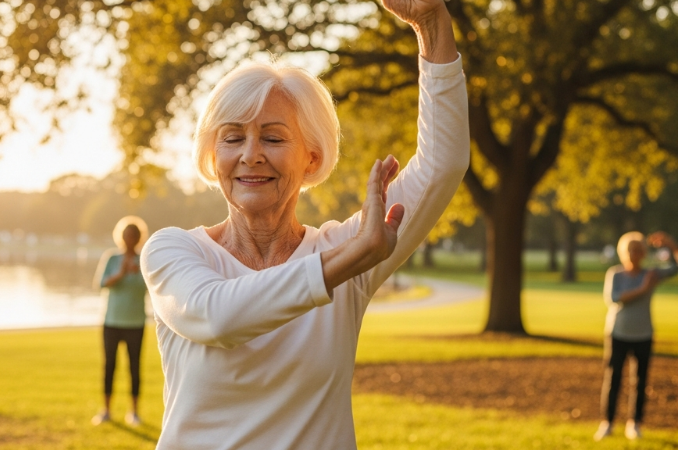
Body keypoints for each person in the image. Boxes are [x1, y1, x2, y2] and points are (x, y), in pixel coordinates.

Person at [140, 0, 468, 447]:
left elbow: (442, 164)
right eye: (232, 137)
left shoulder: (341, 250)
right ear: (212, 156)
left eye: (273, 138)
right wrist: (349, 259)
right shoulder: (173, 251)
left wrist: (431, 24)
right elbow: (218, 317)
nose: (251, 154)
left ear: (311, 156)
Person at [594, 231, 678, 441]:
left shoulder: (650, 273)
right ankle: (608, 422)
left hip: (643, 334)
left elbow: (676, 267)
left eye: (639, 250)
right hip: (618, 333)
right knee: (613, 379)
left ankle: (634, 423)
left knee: (640, 381)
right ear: (624, 253)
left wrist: (671, 245)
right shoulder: (616, 274)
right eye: (631, 250)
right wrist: (643, 289)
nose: (635, 254)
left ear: (644, 253)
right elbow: (614, 298)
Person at [92, 216, 149, 426]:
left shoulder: (145, 260)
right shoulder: (112, 258)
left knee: (134, 368)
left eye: (133, 236)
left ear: (139, 238)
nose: (129, 240)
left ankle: (134, 413)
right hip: (111, 322)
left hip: (135, 323)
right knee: (109, 366)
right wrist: (121, 274)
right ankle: (106, 411)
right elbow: (101, 283)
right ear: (121, 237)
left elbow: (152, 288)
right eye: (126, 236)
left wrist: (137, 273)